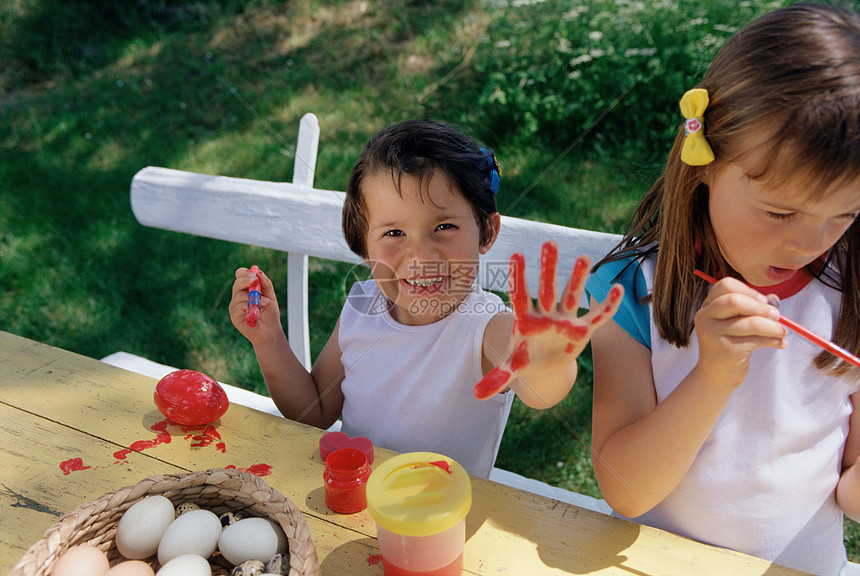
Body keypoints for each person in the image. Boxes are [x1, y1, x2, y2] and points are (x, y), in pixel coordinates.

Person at [585, 3, 860, 574]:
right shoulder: (633, 293)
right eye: (780, 213)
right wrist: (712, 376)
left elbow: (850, 495)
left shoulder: (851, 292)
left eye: (845, 215)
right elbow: (625, 491)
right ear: (704, 162)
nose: (809, 245)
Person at [230, 119, 621, 478]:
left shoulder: (486, 327)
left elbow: (540, 388)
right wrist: (269, 340)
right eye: (394, 233)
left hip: (437, 527)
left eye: (444, 227)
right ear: (364, 246)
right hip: (353, 506)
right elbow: (313, 412)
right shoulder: (360, 307)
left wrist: (548, 359)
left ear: (486, 232)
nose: (420, 257)